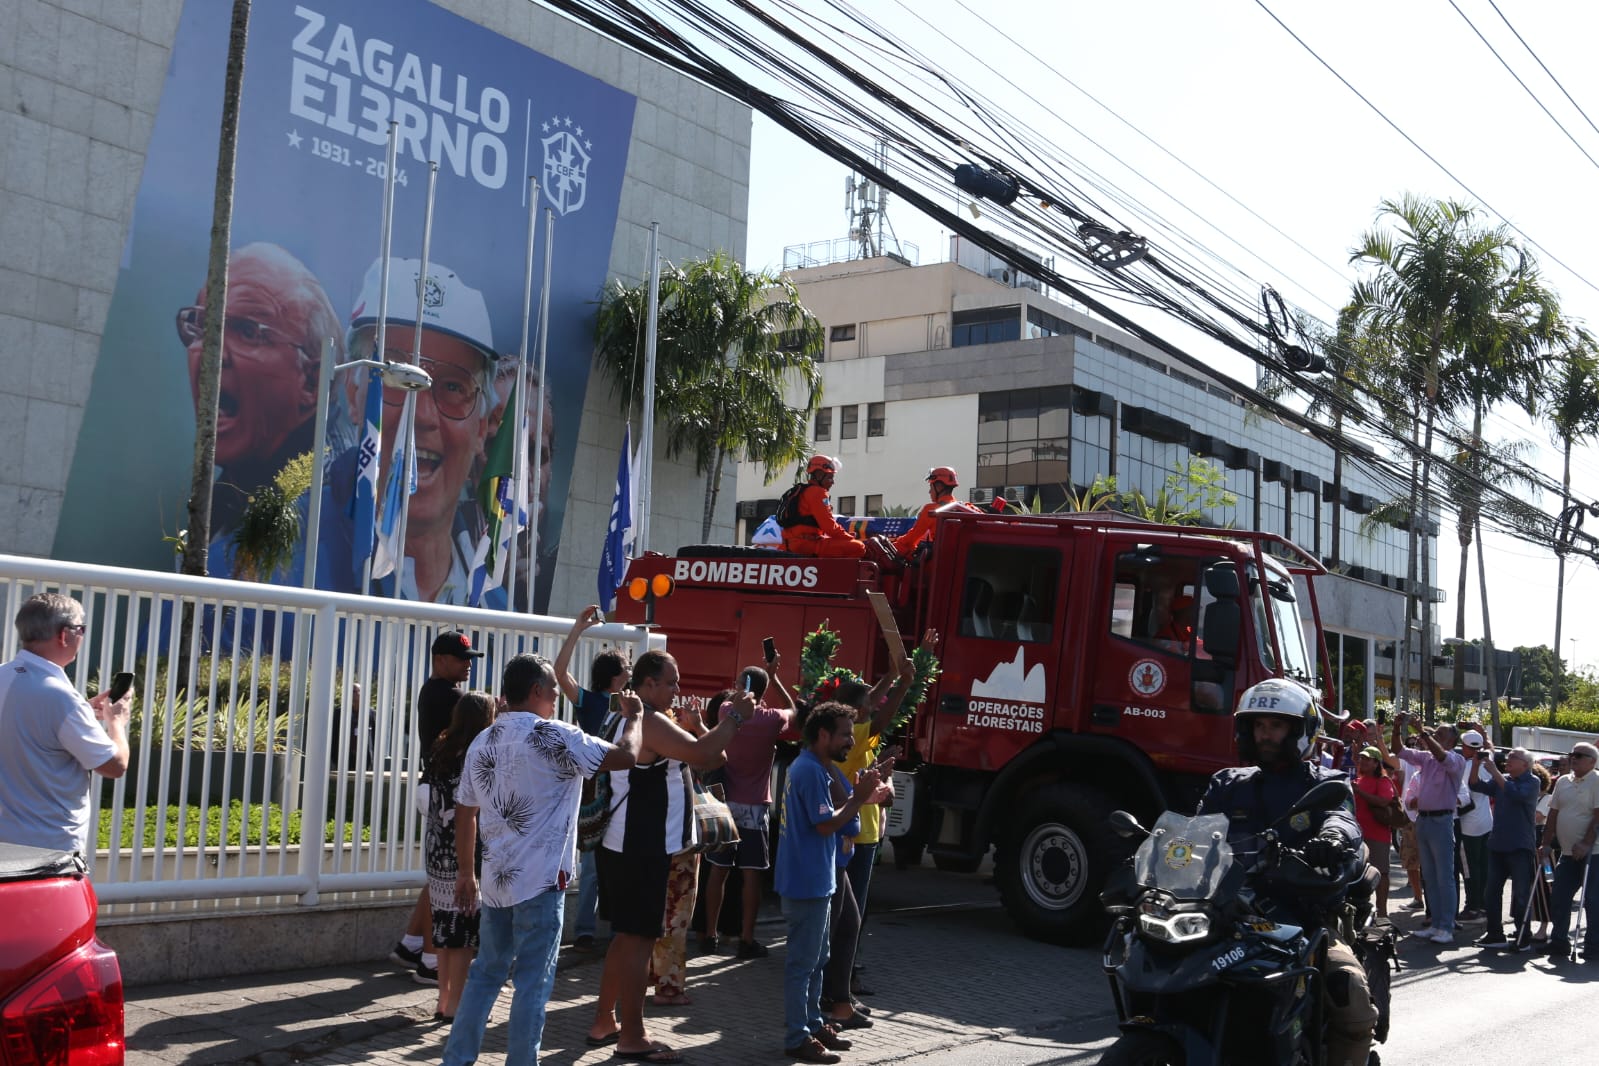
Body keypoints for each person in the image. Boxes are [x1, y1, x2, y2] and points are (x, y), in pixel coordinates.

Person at [440, 655, 641, 1066]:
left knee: (485, 974)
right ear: (535, 691)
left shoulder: (484, 740)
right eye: (552, 691)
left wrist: (466, 873)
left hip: (496, 881)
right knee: (532, 983)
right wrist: (634, 719)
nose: (555, 699)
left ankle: (457, 1059)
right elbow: (626, 757)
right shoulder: (556, 735)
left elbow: (465, 811)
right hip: (543, 882)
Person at [1195, 679, 1375, 1066]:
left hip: (1303, 922)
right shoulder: (1228, 784)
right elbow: (1194, 833)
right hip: (1228, 916)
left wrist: (1331, 838)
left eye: (1275, 726)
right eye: (1259, 726)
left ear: (1300, 731)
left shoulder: (1327, 782)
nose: (1265, 735)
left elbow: (1342, 818)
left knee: (1350, 996)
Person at [587, 651, 753, 1063]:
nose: (678, 689)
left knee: (626, 938)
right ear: (648, 685)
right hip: (639, 846)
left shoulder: (627, 714)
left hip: (624, 845)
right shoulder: (651, 720)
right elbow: (701, 755)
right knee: (639, 939)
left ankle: (605, 1021)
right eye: (671, 682)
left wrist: (704, 731)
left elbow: (710, 755)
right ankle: (632, 1036)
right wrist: (734, 718)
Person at [309, 258, 501, 604]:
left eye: (454, 387)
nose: (422, 414)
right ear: (354, 394)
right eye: (397, 377)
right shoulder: (286, 563)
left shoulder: (497, 606)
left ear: (481, 428)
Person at [180, 243, 343, 551]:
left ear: (312, 382)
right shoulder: (223, 504)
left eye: (247, 331)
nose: (210, 354)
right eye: (203, 326)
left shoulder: (332, 511)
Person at [776, 702, 891, 1064]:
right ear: (822, 734)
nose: (849, 741)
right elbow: (825, 824)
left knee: (818, 958)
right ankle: (798, 1037)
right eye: (844, 734)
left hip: (819, 879)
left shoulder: (819, 767)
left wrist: (861, 794)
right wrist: (858, 799)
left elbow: (836, 817)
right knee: (802, 963)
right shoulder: (809, 770)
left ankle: (812, 1024)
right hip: (805, 881)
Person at [0, 594, 130, 853]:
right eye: (81, 629)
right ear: (64, 635)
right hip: (46, 851)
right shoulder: (61, 698)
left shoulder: (6, 676)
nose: (82, 636)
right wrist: (116, 722)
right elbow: (115, 766)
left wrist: (82, 712)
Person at [391, 629, 483, 985]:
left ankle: (410, 944)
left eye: (470, 659)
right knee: (449, 879)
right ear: (440, 660)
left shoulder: (435, 691)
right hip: (448, 795)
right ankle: (431, 960)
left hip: (434, 789)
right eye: (462, 659)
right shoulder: (451, 696)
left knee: (440, 877)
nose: (467, 665)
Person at [701, 658, 797, 959]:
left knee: (718, 871)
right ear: (763, 691)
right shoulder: (771, 720)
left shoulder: (727, 711)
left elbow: (731, 705)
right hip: (754, 807)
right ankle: (746, 939)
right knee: (752, 876)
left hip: (725, 802)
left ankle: (709, 934)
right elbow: (794, 711)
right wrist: (775, 678)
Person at [552, 606, 630, 951]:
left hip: (623, 790)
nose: (630, 671)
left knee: (618, 863)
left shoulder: (632, 706)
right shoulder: (590, 701)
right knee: (595, 864)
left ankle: (613, 928)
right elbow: (559, 672)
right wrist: (577, 629)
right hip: (594, 791)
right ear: (615, 675)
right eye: (627, 667)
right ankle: (585, 930)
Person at [423, 691, 497, 1020]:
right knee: (463, 929)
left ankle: (443, 999)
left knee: (443, 925)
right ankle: (457, 1005)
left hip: (436, 847)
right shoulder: (477, 755)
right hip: (464, 850)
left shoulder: (441, 748)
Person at [1391, 714, 1466, 944]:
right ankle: (1435, 924)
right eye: (1435, 733)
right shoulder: (1425, 759)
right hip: (1423, 820)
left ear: (1452, 741)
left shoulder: (1455, 759)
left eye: (1440, 734)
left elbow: (1442, 756)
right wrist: (1396, 727)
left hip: (1442, 821)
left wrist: (1422, 731)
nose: (1435, 736)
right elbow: (1399, 751)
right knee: (1430, 876)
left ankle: (1446, 926)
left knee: (1445, 876)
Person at [1469, 740, 1539, 949]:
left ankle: (1523, 934)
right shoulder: (1504, 779)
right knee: (1491, 891)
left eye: (1513, 758)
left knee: (1520, 892)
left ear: (1525, 764)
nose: (1508, 760)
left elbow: (1514, 793)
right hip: (1498, 843)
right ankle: (1495, 933)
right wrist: (1476, 764)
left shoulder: (1532, 781)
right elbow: (1475, 785)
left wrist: (1493, 770)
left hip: (1519, 845)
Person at [1539, 742, 1599, 961]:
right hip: (1566, 851)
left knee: (1593, 900)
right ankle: (1559, 943)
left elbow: (1597, 816)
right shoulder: (1563, 781)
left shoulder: (1597, 781)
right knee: (1560, 896)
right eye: (1572, 754)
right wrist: (1546, 843)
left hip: (1594, 853)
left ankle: (1594, 947)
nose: (1573, 758)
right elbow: (1553, 814)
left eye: (1579, 755)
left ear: (1592, 761)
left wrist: (1585, 843)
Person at [777, 455, 865, 559]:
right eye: (830, 477)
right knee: (859, 547)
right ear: (819, 474)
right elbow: (829, 526)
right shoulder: (818, 492)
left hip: (792, 544)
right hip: (806, 545)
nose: (833, 482)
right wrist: (849, 538)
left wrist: (845, 537)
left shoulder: (803, 490)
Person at [1351, 745, 1398, 918]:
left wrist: (1360, 792)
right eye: (1361, 758)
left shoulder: (1383, 781)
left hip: (1377, 835)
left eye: (1367, 759)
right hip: (1358, 835)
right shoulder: (1358, 781)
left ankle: (1382, 912)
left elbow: (1384, 802)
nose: (1362, 761)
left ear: (1376, 763)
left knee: (1381, 872)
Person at [890, 467, 979, 556]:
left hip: (939, 562)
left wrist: (891, 545)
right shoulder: (970, 508)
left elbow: (910, 540)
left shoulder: (932, 510)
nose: (929, 491)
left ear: (939, 486)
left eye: (931, 486)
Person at [1455, 730, 1493, 923]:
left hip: (1469, 825)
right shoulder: (1488, 761)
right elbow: (1490, 748)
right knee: (1484, 866)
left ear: (1467, 748)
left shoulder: (1465, 767)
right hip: (1487, 822)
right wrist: (1484, 734)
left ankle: (1473, 907)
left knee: (1470, 869)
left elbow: (1462, 797)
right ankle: (1484, 906)